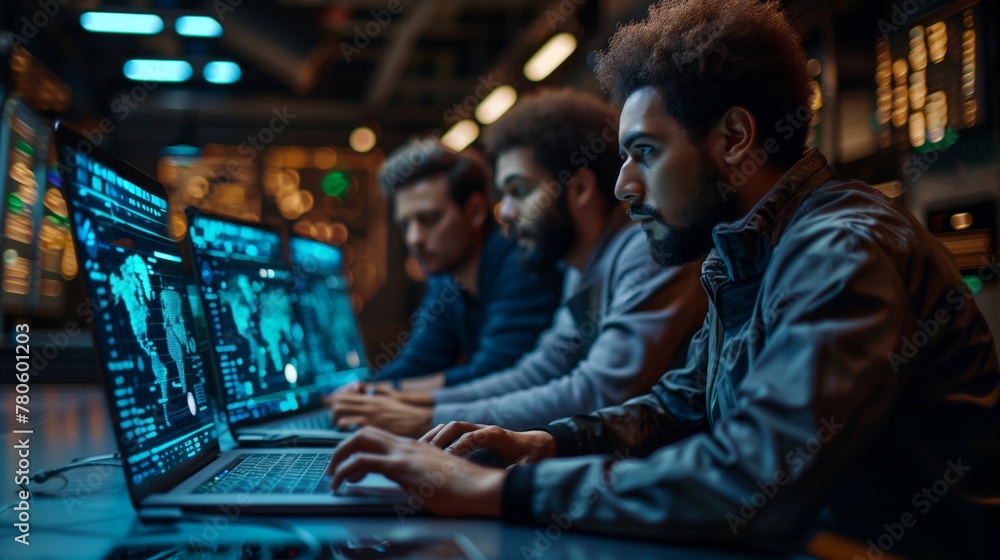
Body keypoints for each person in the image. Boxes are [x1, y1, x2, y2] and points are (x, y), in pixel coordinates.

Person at [326, 0, 1000, 556]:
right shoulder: (750, 250)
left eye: (644, 152)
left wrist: (495, 492)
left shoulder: (841, 249)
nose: (624, 185)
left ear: (734, 138)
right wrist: (548, 441)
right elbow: (680, 406)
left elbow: (753, 478)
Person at [331, 89, 706, 436]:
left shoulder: (644, 251)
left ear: (579, 188)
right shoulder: (582, 267)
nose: (506, 212)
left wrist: (425, 418)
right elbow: (539, 371)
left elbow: (599, 388)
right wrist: (407, 403)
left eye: (520, 191)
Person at [368, 138, 562, 389]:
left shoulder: (520, 264)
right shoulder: (445, 280)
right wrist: (360, 391)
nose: (414, 239)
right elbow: (418, 361)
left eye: (428, 219)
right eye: (406, 224)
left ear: (475, 211)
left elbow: (495, 373)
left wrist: (386, 392)